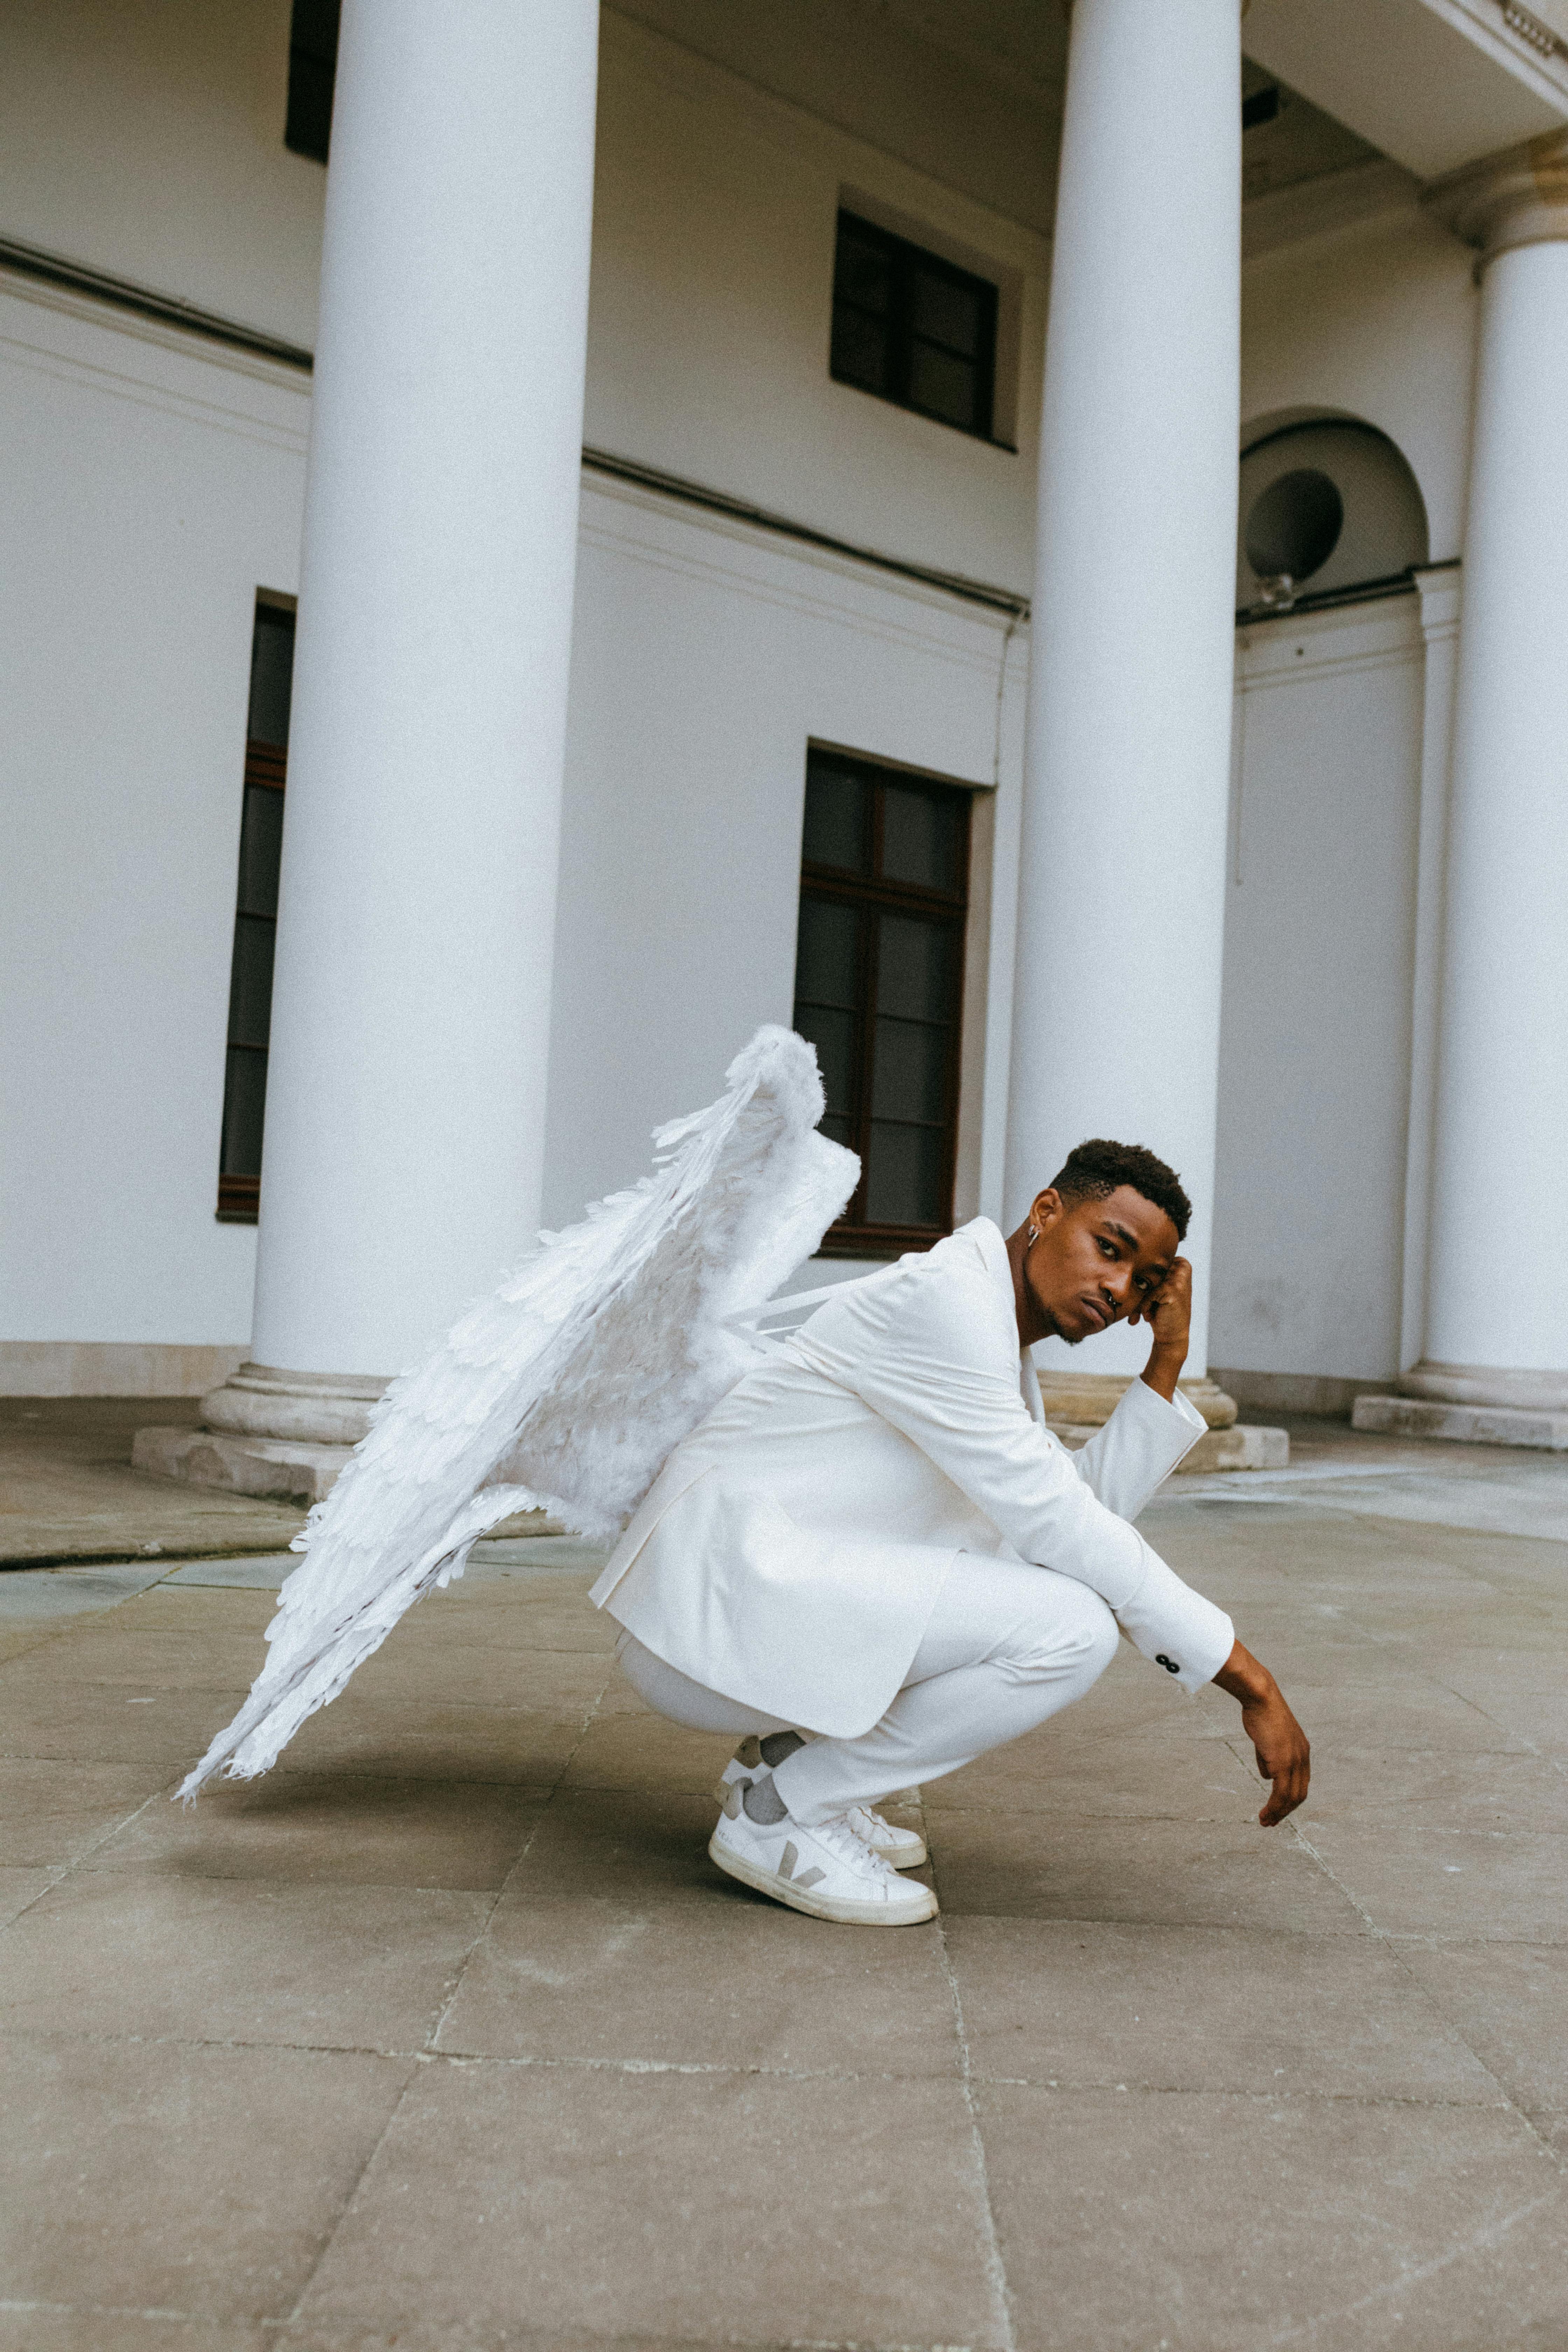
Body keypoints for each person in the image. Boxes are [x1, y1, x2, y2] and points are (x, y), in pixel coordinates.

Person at [590, 1139, 1310, 1927]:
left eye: (1141, 1281)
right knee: (1069, 1632)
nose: (1116, 1288)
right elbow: (1058, 1524)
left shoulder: (990, 1324)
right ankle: (783, 1813)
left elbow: (1065, 1517)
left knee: (1049, 1585)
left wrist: (1166, 1359)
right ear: (1045, 1212)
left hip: (743, 1597)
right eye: (1109, 1249)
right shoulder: (947, 1306)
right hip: (705, 1618)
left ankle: (792, 1760)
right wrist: (1247, 1680)